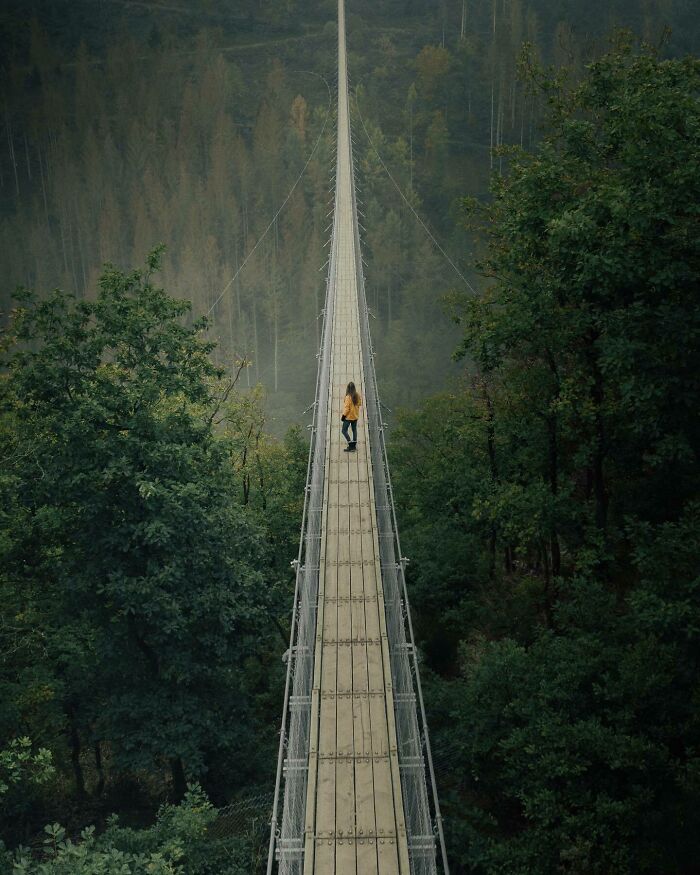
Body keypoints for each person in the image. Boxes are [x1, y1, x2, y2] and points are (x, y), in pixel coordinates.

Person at [341, 381, 362, 452]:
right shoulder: (357, 395)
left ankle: (350, 445)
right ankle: (354, 446)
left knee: (344, 431)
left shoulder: (348, 397)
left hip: (348, 417)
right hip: (355, 417)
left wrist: (343, 416)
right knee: (354, 430)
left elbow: (347, 408)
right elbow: (359, 404)